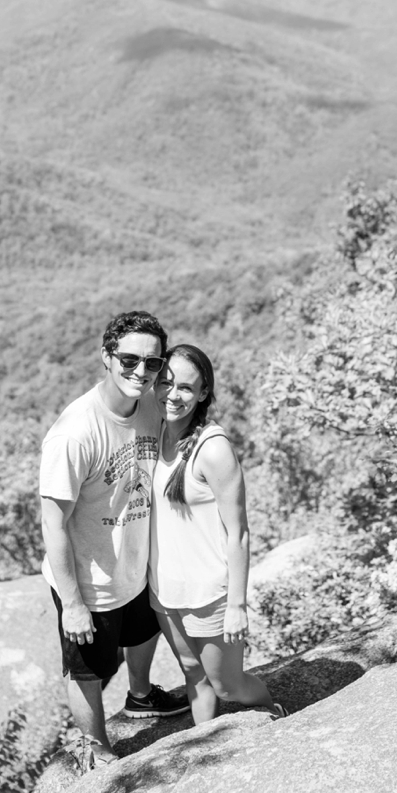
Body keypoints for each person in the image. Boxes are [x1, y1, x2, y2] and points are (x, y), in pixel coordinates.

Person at [39, 309, 190, 767]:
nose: (140, 372)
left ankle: (141, 696)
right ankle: (96, 748)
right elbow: (53, 523)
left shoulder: (150, 405)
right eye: (128, 360)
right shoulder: (75, 433)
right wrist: (74, 603)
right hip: (89, 578)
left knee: (143, 630)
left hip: (134, 560)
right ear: (106, 357)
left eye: (152, 363)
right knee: (87, 668)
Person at [149, 344, 282, 724]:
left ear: (204, 393)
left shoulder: (213, 449)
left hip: (209, 594)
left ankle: (276, 715)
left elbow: (238, 533)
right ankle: (206, 747)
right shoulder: (157, 433)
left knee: (229, 687)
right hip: (166, 592)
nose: (172, 395)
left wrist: (237, 606)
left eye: (186, 388)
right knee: (194, 677)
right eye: (165, 383)